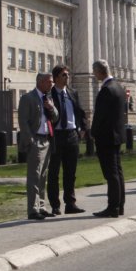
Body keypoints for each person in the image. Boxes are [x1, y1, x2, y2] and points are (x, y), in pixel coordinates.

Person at [47, 65, 88, 215]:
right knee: (54, 172)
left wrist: (82, 128)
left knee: (70, 172)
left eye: (67, 75)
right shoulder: (49, 94)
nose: (67, 77)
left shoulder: (72, 93)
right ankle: (55, 205)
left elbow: (80, 112)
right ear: (56, 77)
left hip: (71, 135)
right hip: (56, 136)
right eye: (64, 75)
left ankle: (70, 203)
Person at [18, 72, 59, 220]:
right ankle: (33, 209)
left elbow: (55, 117)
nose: (51, 84)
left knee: (43, 175)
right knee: (34, 175)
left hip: (47, 139)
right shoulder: (27, 98)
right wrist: (30, 140)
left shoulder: (48, 98)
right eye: (49, 82)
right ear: (40, 82)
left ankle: (41, 206)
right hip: (35, 141)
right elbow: (23, 121)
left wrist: (52, 108)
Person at [90, 59, 127, 218]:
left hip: (106, 136)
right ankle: (120, 205)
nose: (94, 75)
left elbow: (100, 116)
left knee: (111, 173)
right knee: (117, 172)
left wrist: (93, 131)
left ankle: (113, 207)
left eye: (94, 72)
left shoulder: (106, 89)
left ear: (99, 71)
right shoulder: (118, 87)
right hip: (116, 135)